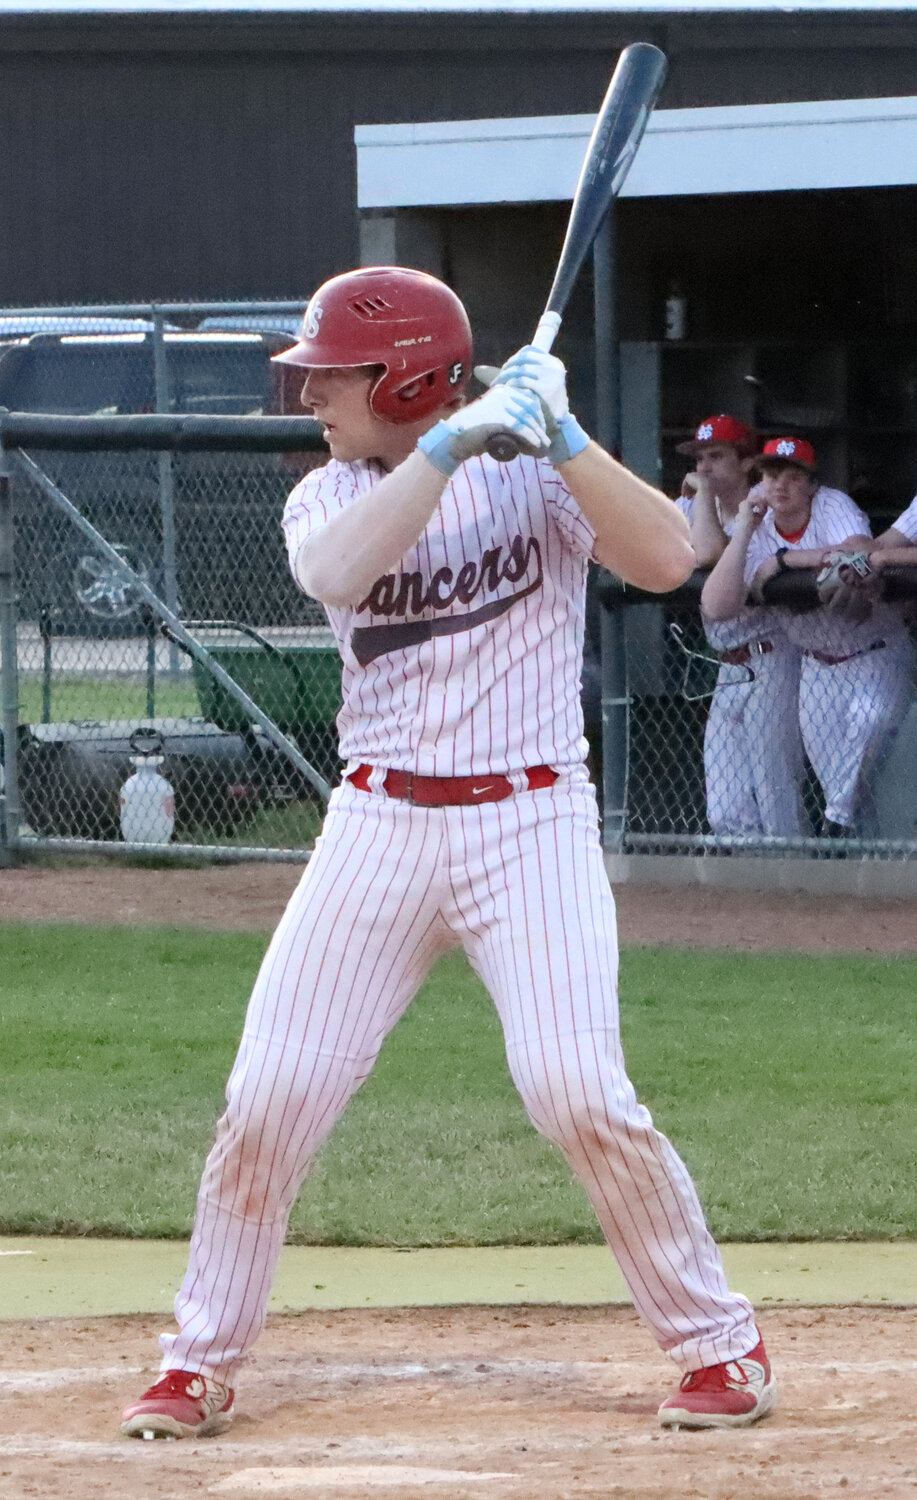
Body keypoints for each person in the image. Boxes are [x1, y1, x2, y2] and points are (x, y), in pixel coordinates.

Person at [121, 266, 775, 1441]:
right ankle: (197, 1358)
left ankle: (718, 1343)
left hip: (529, 821)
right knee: (269, 1096)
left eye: (334, 374)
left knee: (576, 1089)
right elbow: (335, 576)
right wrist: (448, 448)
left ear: (409, 373)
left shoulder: (540, 480)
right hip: (375, 823)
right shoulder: (325, 499)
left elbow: (669, 558)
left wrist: (563, 437)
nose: (311, 391)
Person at [702, 437, 913, 836]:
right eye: (770, 475)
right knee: (843, 784)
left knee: (869, 723)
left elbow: (856, 553)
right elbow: (716, 605)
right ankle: (854, 870)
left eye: (793, 476)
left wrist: (782, 562)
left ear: (812, 485)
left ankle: (835, 828)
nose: (779, 486)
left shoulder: (832, 504)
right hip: (816, 666)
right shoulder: (756, 521)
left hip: (874, 651)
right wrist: (745, 527)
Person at [677, 416, 807, 839]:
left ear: (748, 461)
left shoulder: (763, 506)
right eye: (699, 457)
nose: (705, 466)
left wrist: (704, 495)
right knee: (725, 808)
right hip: (727, 666)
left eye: (716, 456)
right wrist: (702, 499)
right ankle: (754, 895)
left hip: (774, 657)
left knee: (776, 794)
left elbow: (708, 553)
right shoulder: (692, 505)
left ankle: (799, 884)